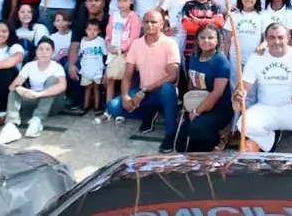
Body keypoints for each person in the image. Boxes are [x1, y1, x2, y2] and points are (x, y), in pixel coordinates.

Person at [233, 22, 292, 156]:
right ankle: (271, 141)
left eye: (280, 37)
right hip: (266, 108)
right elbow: (244, 85)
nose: (276, 41)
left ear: (288, 38)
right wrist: (240, 94)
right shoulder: (256, 58)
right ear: (266, 38)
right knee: (243, 124)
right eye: (272, 37)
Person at [106, 9, 181, 153]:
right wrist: (125, 96)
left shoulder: (170, 44)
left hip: (163, 92)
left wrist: (144, 90)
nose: (149, 25)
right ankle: (149, 113)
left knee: (167, 89)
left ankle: (170, 133)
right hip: (145, 93)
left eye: (154, 22)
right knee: (113, 107)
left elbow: (173, 76)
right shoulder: (136, 44)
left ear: (162, 24)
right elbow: (128, 74)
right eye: (146, 21)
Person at [0, 36, 67, 144]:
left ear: (52, 53)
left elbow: (62, 86)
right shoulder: (29, 66)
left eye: (48, 49)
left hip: (53, 105)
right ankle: (11, 126)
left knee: (52, 80)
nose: (44, 52)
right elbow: (12, 86)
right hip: (33, 101)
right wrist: (22, 90)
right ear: (36, 51)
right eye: (41, 49)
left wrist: (39, 94)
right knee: (14, 91)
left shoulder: (57, 67)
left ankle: (37, 119)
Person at [175, 24, 233, 153]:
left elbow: (217, 93)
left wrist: (197, 111)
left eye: (210, 38)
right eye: (202, 37)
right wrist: (187, 107)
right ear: (197, 40)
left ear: (217, 40)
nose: (206, 41)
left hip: (218, 108)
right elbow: (192, 84)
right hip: (199, 103)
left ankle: (219, 139)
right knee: (181, 145)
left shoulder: (221, 62)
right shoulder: (194, 57)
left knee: (197, 129)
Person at [74, 18, 107, 116]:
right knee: (87, 88)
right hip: (86, 70)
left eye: (95, 30)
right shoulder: (83, 41)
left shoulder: (101, 41)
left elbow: (105, 54)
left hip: (97, 69)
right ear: (85, 30)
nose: (92, 32)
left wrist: (105, 69)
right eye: (89, 29)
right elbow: (80, 54)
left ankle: (97, 107)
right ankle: (85, 106)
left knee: (97, 88)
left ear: (99, 31)